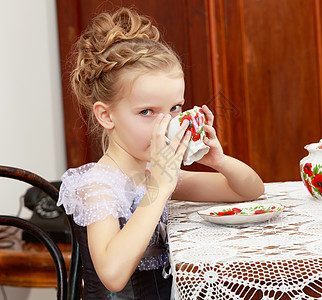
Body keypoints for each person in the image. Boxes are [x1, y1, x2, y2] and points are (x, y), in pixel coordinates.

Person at [57, 7, 264, 300]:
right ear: (106, 116)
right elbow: (113, 276)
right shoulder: (99, 185)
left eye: (174, 109)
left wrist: (218, 160)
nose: (165, 123)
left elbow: (249, 191)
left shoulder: (155, 175)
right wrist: (159, 188)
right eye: (146, 112)